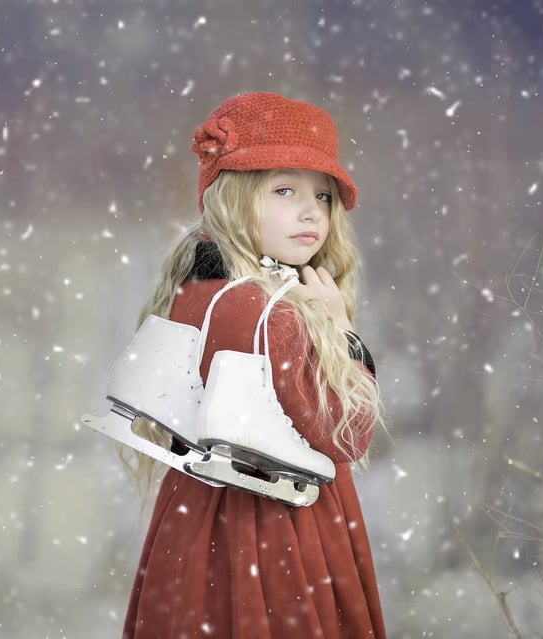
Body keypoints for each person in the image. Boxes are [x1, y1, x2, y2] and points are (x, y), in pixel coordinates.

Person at [122, 92, 386, 638]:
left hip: (195, 526)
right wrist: (344, 338)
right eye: (284, 190)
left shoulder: (195, 286)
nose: (312, 211)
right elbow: (345, 437)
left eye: (323, 195)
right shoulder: (267, 311)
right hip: (275, 538)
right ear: (234, 197)